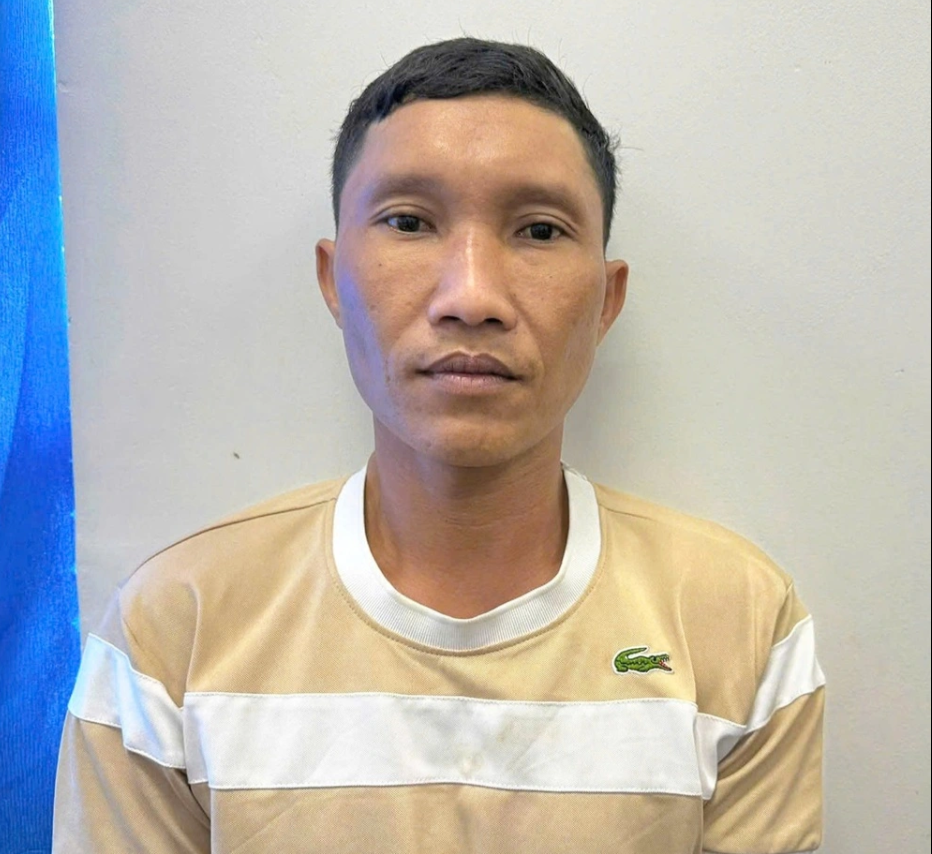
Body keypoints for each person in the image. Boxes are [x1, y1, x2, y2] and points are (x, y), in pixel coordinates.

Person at [53, 37, 825, 853]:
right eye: (409, 222)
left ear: (606, 299)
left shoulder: (738, 624)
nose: (472, 296)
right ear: (333, 280)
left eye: (539, 230)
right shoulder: (174, 631)